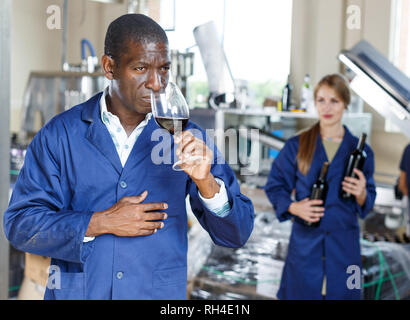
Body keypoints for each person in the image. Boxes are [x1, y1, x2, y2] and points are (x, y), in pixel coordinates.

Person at [3, 14, 254, 300]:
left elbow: (237, 234)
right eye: (140, 68)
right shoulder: (59, 135)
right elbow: (21, 225)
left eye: (164, 69)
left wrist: (207, 183)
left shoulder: (188, 139)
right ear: (109, 67)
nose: (156, 83)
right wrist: (99, 222)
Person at [265, 74, 376, 300]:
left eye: (334, 101)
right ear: (314, 103)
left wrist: (362, 193)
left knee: (350, 294)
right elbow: (274, 186)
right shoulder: (297, 145)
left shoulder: (361, 152)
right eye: (321, 100)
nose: (327, 107)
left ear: (345, 103)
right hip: (305, 249)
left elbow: (368, 200)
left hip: (346, 250)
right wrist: (294, 207)